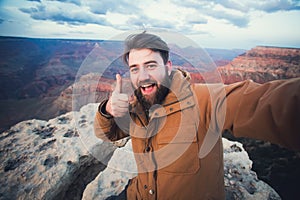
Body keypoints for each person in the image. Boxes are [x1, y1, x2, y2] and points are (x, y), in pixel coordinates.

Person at [94, 32, 300, 199]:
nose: (143, 76)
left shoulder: (204, 100)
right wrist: (108, 110)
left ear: (168, 67)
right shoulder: (138, 106)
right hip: (138, 194)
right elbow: (108, 134)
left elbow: (262, 103)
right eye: (135, 69)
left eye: (151, 65)